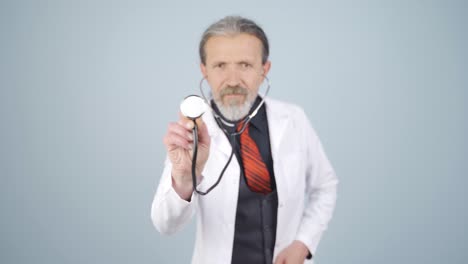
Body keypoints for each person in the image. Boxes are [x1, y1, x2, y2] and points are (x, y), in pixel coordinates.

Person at [151, 16, 338, 264]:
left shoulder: (294, 119)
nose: (232, 81)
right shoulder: (191, 133)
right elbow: (166, 224)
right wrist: (185, 177)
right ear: (204, 70)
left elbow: (325, 186)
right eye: (220, 66)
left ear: (264, 70)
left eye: (245, 65)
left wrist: (303, 243)